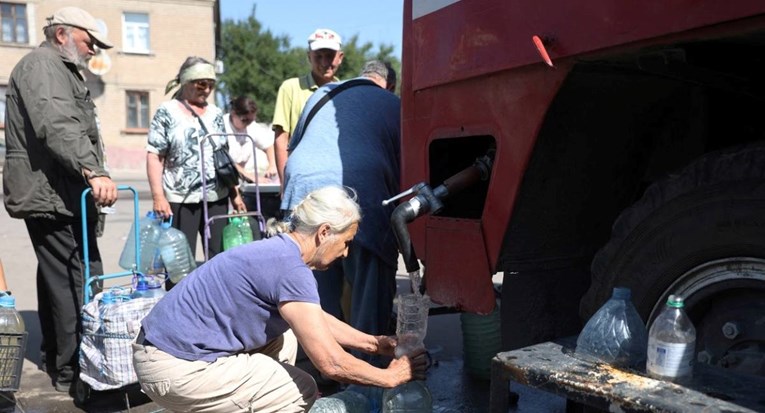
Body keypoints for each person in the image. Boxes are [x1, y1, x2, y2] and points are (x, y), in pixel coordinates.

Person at [133, 186, 427, 413]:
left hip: (159, 353)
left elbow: (314, 320)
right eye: (346, 242)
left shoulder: (278, 251)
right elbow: (331, 364)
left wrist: (374, 343)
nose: (347, 253)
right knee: (301, 388)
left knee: (287, 337)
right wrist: (389, 378)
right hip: (175, 367)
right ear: (324, 232)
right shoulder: (291, 269)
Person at [2, 6, 118, 392]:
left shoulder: (55, 66)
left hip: (59, 193)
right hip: (53, 194)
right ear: (63, 34)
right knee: (76, 280)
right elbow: (57, 123)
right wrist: (94, 170)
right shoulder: (44, 65)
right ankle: (76, 373)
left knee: (59, 277)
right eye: (89, 42)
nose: (92, 51)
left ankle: (59, 358)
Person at [281, 61, 401, 366]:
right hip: (361, 186)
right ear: (390, 84)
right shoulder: (393, 104)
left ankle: (318, 366)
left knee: (312, 285)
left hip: (304, 187)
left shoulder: (322, 93)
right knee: (369, 283)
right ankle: (365, 371)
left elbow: (295, 147)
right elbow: (405, 169)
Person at [146, 56, 246, 273]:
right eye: (201, 83)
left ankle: (215, 305)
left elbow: (224, 156)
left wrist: (234, 194)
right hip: (181, 199)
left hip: (216, 198)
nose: (207, 89)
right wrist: (158, 196)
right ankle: (180, 305)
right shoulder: (167, 111)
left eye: (211, 84)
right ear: (186, 81)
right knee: (179, 265)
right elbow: (155, 155)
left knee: (219, 261)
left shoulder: (216, 114)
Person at [272, 28, 345, 188]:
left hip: (335, 180)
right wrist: (285, 182)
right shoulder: (290, 87)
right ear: (309, 57)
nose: (324, 63)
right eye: (318, 56)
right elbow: (281, 138)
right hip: (300, 179)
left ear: (340, 58)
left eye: (330, 56)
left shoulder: (345, 91)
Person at [224, 96, 277, 184]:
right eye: (244, 120)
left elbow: (268, 146)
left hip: (241, 180)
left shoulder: (252, 127)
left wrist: (272, 165)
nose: (248, 123)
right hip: (224, 179)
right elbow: (226, 160)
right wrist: (251, 177)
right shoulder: (222, 127)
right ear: (233, 114)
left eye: (251, 120)